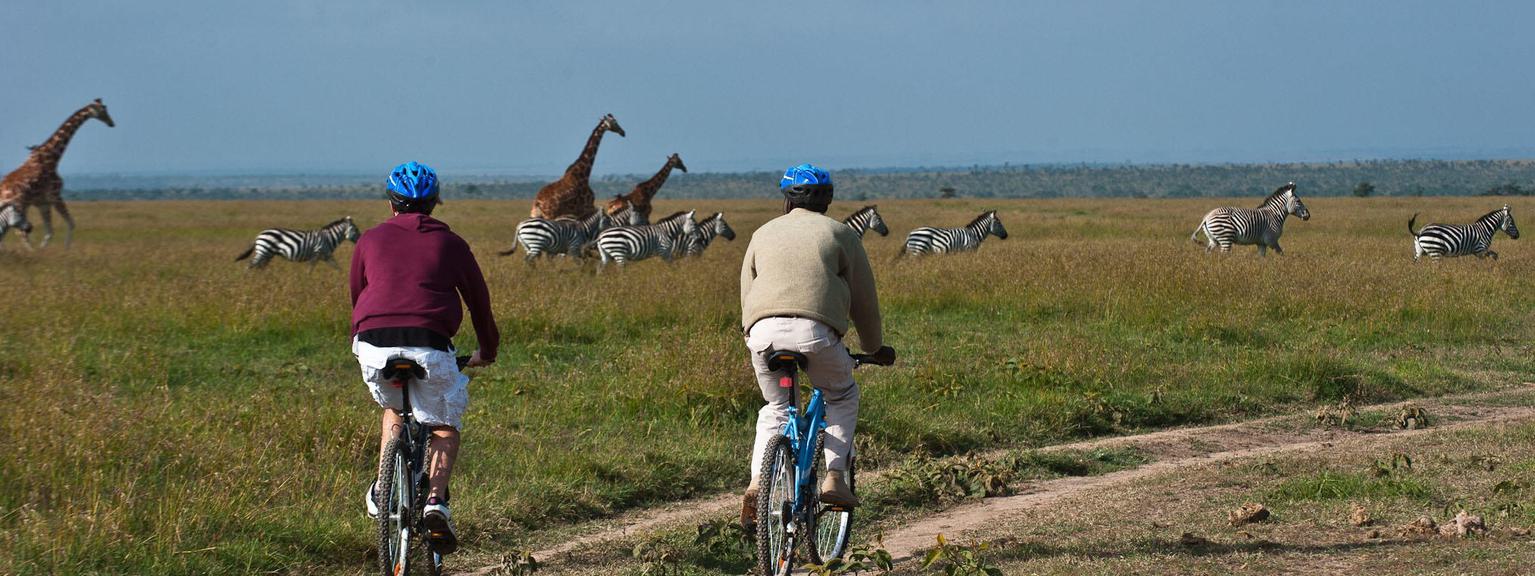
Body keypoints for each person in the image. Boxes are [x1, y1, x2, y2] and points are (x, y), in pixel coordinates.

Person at [352, 161, 498, 554]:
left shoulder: (369, 239)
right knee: (444, 425)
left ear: (390, 203)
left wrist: (363, 338)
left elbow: (357, 294)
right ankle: (435, 503)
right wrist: (488, 349)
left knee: (396, 411)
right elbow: (478, 303)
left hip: (373, 343)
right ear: (435, 203)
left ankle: (384, 488)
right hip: (429, 345)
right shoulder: (452, 244)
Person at [738, 163, 895, 527]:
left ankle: (758, 483)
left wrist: (751, 333)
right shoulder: (841, 234)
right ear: (828, 199)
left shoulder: (762, 232)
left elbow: (748, 290)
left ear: (786, 197)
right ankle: (835, 476)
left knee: (776, 407)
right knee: (841, 396)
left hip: (762, 333)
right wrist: (874, 347)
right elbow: (864, 304)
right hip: (816, 333)